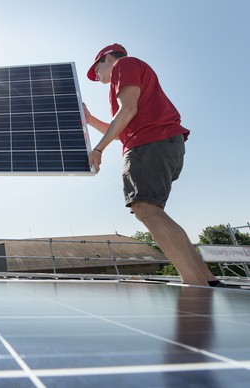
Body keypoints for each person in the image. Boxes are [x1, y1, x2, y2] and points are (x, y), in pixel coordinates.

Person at [83, 43, 221, 287]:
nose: (96, 76)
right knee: (153, 210)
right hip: (160, 142)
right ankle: (207, 280)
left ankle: (195, 284)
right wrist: (92, 120)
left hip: (149, 143)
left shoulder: (123, 65)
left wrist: (98, 149)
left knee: (146, 209)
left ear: (106, 58)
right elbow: (123, 128)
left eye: (96, 69)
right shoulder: (132, 71)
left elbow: (127, 109)